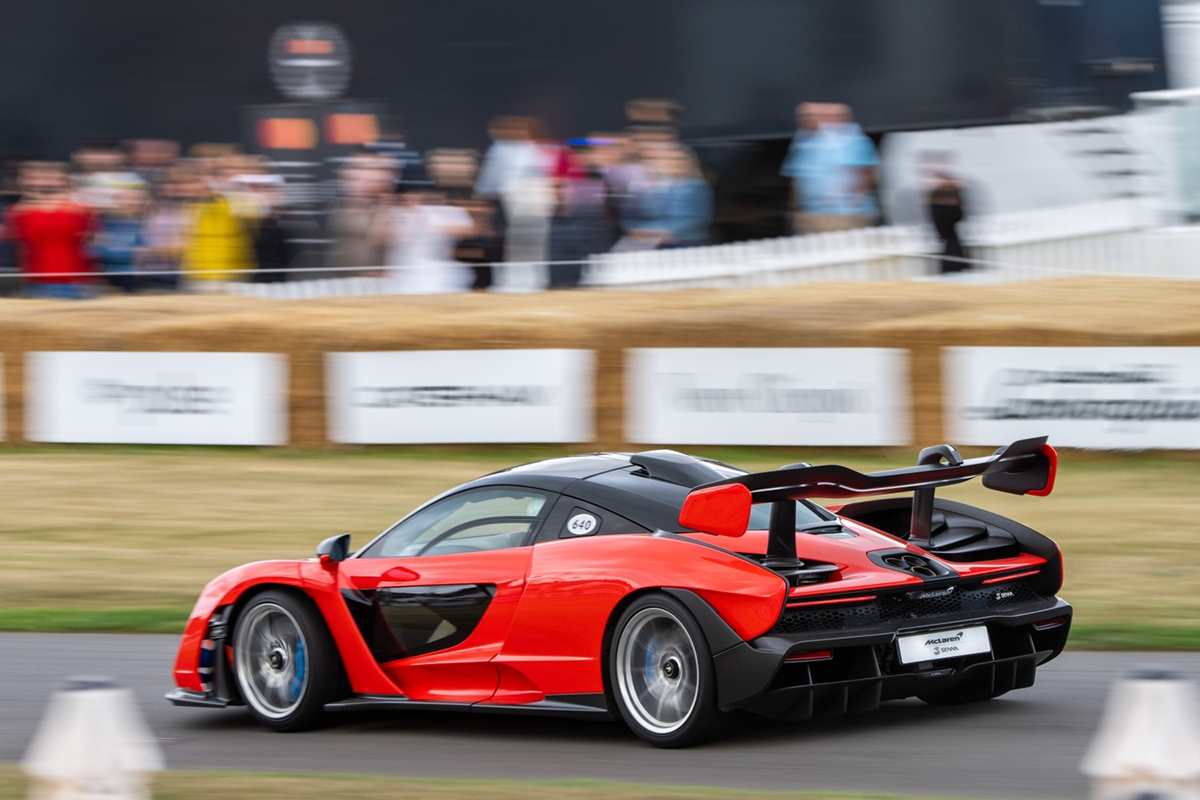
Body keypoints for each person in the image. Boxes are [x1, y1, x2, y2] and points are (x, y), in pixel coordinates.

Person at [781, 102, 880, 234]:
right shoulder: (805, 142)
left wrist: (856, 197)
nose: (806, 120)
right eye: (804, 117)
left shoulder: (852, 141)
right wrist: (794, 209)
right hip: (813, 215)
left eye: (811, 116)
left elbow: (867, 172)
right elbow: (797, 179)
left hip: (845, 215)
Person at [3, 161, 97, 299]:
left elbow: (87, 237)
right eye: (34, 179)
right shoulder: (16, 213)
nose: (42, 184)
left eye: (49, 178)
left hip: (77, 281)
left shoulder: (82, 210)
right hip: (37, 282)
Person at [374, 186, 474, 294]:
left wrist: (422, 216)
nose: (411, 197)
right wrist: (383, 209)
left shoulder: (448, 212)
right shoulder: (396, 213)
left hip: (435, 273)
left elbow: (467, 231)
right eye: (407, 194)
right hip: (401, 275)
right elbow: (379, 238)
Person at [91, 174, 150, 293]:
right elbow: (97, 250)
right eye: (130, 198)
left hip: (134, 281)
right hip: (104, 280)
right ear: (117, 200)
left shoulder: (146, 222)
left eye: (140, 199)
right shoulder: (103, 222)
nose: (136, 203)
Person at [922, 152, 969, 274]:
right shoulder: (946, 188)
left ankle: (954, 268)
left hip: (948, 229)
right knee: (952, 245)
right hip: (949, 230)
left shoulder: (942, 189)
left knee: (951, 246)